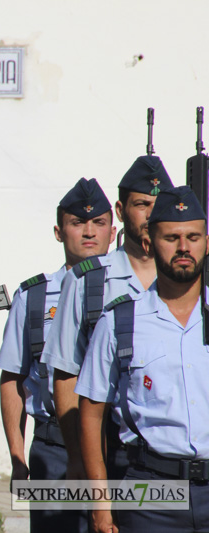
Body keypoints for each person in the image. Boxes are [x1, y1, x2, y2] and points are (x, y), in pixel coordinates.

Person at [77, 186, 209, 532]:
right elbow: (91, 414)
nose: (184, 248)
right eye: (172, 237)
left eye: (193, 237)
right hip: (151, 492)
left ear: (207, 242)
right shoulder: (120, 322)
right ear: (149, 243)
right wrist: (101, 506)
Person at [40, 155, 173, 481]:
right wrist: (77, 457)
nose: (151, 214)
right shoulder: (88, 280)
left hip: (169, 449)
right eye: (142, 204)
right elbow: (66, 373)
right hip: (106, 445)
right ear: (119, 210)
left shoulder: (187, 280)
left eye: (159, 205)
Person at [0, 178, 115, 533]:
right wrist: (17, 457)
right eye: (77, 223)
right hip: (54, 446)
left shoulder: (136, 292)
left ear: (113, 230)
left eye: (99, 223)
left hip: (118, 444)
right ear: (59, 231)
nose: (89, 232)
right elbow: (12, 377)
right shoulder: (34, 296)